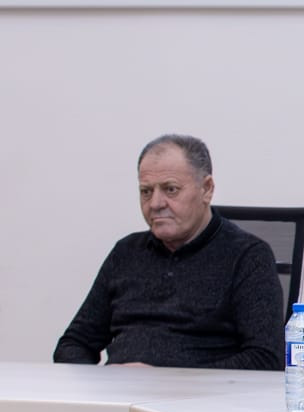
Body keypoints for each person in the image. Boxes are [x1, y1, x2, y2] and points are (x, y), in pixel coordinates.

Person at [53, 134, 283, 370]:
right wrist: (103, 380)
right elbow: (73, 344)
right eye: (146, 191)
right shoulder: (126, 252)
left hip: (198, 393)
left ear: (206, 189)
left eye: (170, 189)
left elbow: (266, 359)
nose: (155, 203)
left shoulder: (247, 256)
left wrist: (170, 380)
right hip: (120, 390)